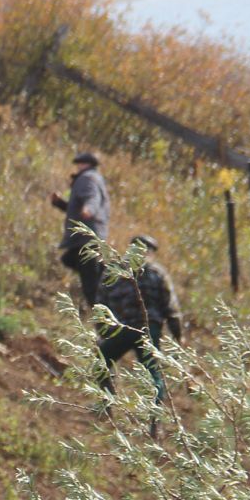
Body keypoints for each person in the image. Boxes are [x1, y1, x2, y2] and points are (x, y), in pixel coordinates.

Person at [95, 234, 183, 409]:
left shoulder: (114, 270)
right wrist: (178, 336)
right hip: (150, 330)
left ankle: (107, 403)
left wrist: (103, 331)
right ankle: (154, 420)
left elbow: (101, 304)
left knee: (100, 361)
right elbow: (171, 307)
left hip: (122, 328)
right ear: (149, 252)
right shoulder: (157, 273)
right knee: (153, 374)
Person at [50, 151, 110, 307]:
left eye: (80, 163)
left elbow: (92, 198)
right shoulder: (92, 178)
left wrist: (89, 209)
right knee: (69, 259)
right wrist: (60, 203)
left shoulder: (88, 178)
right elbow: (75, 208)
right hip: (85, 236)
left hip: (86, 236)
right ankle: (111, 277)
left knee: (90, 284)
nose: (77, 166)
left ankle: (101, 314)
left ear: (87, 164)